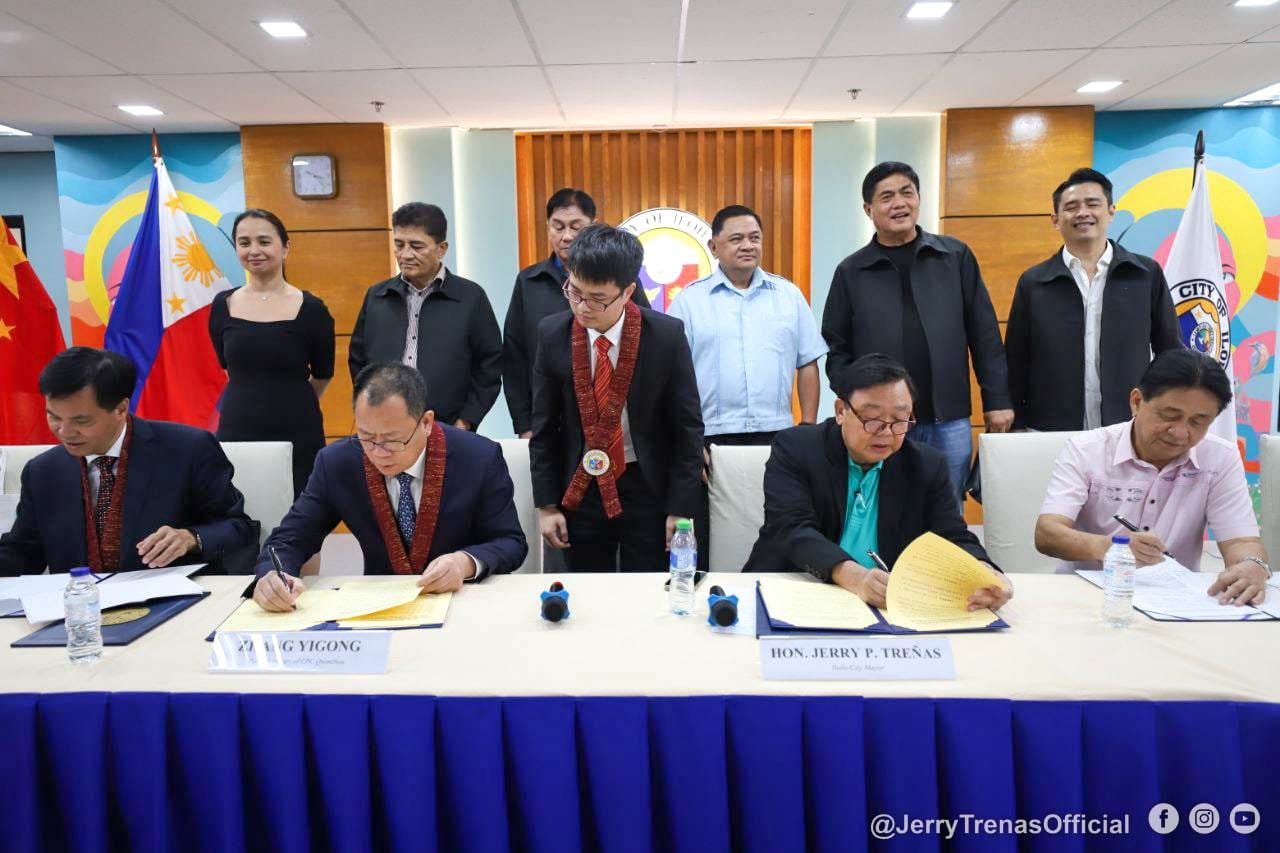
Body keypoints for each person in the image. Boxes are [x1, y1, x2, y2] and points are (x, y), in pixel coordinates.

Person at [745, 354, 1012, 612]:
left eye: (899, 420)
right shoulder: (796, 448)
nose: (886, 433)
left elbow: (951, 535)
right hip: (793, 591)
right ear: (841, 411)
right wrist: (853, 576)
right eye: (873, 420)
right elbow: (791, 529)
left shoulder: (926, 465)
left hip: (882, 607)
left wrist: (984, 571)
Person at [251, 362, 527, 612]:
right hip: (380, 607)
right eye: (367, 437)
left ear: (426, 423)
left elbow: (510, 542)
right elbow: (288, 540)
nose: (379, 452)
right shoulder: (337, 463)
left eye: (393, 440)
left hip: (464, 602)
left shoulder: (478, 458)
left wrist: (464, 563)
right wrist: (272, 577)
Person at [822, 161, 1012, 505]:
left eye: (906, 193)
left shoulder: (954, 256)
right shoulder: (852, 270)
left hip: (949, 419)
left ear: (919, 199)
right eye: (886, 197)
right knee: (884, 504)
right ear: (869, 209)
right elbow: (836, 348)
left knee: (947, 506)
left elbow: (984, 335)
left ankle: (941, 562)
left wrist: (997, 400)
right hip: (881, 422)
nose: (899, 203)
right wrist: (859, 407)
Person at [530, 224, 704, 572]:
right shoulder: (553, 334)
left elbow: (687, 427)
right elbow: (545, 426)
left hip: (646, 483)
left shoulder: (665, 336)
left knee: (647, 589)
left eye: (597, 298)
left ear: (627, 292)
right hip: (580, 486)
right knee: (588, 592)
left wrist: (680, 508)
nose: (582, 307)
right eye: (575, 292)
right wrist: (546, 505)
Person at [1035, 349, 1269, 605]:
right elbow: (1048, 533)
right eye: (1169, 415)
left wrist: (1251, 565)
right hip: (1086, 598)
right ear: (1136, 402)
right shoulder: (1086, 450)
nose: (1180, 433)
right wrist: (1110, 547)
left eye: (1198, 422)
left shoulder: (1220, 457)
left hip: (1176, 601)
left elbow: (1241, 541)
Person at [0, 348, 259, 576]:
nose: (64, 431)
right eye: (53, 417)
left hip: (170, 606)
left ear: (121, 409)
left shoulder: (188, 449)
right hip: (79, 616)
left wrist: (190, 538)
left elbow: (240, 528)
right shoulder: (43, 471)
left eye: (81, 421)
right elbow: (23, 553)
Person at [1005, 168, 1181, 431]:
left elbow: (1169, 349)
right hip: (1050, 429)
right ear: (1055, 219)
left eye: (1092, 204)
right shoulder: (1034, 282)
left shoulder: (1146, 274)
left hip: (1128, 426)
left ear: (1111, 211)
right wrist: (1017, 423)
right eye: (1071, 207)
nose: (1082, 213)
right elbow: (1016, 359)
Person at [668, 204, 825, 445]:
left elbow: (807, 363)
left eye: (755, 238)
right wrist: (685, 438)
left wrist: (808, 427)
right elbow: (673, 375)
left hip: (778, 431)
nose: (748, 246)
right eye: (736, 239)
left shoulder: (789, 295)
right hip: (709, 432)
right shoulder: (688, 302)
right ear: (713, 247)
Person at [502, 188, 649, 438]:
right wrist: (524, 424)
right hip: (549, 414)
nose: (567, 236)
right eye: (557, 227)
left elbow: (645, 337)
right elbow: (514, 355)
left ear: (593, 225)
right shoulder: (529, 281)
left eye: (575, 227)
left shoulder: (620, 279)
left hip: (612, 408)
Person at [209, 209, 335, 498]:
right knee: (241, 515)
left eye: (264, 241)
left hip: (297, 429)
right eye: (244, 242)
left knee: (303, 520)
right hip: (239, 427)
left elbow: (324, 374)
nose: (254, 250)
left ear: (285, 247)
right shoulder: (222, 305)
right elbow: (227, 366)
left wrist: (287, 399)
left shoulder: (312, 308)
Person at [348, 202, 501, 431]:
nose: (405, 254)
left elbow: (489, 366)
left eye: (416, 246)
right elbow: (358, 361)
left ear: (442, 248)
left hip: (449, 428)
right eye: (399, 245)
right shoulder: (377, 296)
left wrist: (465, 421)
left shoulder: (471, 297)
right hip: (385, 426)